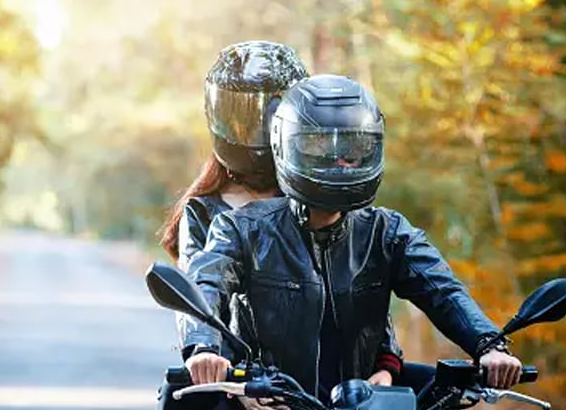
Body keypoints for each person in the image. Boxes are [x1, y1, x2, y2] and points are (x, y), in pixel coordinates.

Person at [182, 74, 522, 405]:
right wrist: (204, 348)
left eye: (353, 149)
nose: (341, 163)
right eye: (319, 148)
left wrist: (489, 345)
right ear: (285, 147)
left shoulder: (387, 232)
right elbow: (206, 283)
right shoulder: (243, 229)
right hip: (266, 400)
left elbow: (442, 290)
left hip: (363, 399)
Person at [158, 42, 401, 409]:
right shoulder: (204, 212)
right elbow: (202, 294)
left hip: (337, 383)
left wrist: (385, 363)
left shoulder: (320, 193)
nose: (254, 128)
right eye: (241, 116)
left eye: (269, 112)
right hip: (246, 387)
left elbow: (361, 279)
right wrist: (232, 380)